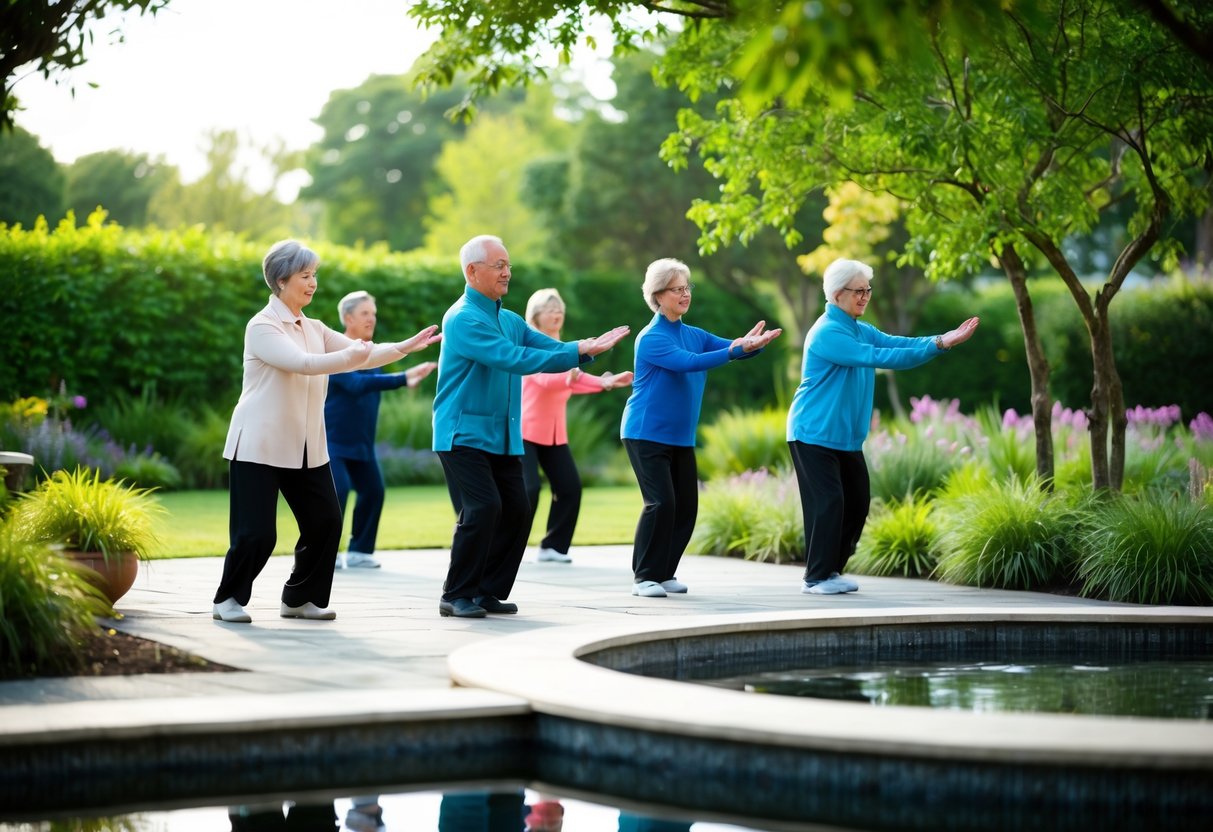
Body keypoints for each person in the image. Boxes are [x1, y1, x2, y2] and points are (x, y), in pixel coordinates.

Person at [212, 239, 441, 624]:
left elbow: (362, 352)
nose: (313, 282)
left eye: (314, 274)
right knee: (257, 535)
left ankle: (300, 598)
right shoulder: (262, 326)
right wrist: (351, 356)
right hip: (259, 444)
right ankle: (227, 600)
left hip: (306, 447)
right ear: (282, 280)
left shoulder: (314, 327)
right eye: (305, 275)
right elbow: (303, 363)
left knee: (326, 523)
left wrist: (403, 347)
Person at [432, 234, 630, 618]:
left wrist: (584, 347)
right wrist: (578, 352)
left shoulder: (508, 318)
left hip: (501, 434)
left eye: (508, 265)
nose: (508, 272)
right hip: (462, 432)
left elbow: (542, 345)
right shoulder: (462, 319)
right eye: (499, 265)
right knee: (484, 507)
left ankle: (487, 590)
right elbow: (513, 358)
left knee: (519, 509)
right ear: (472, 272)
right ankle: (455, 593)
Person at [787, 257, 979, 595]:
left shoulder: (859, 328)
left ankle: (831, 571)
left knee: (858, 502)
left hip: (844, 438)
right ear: (836, 293)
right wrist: (940, 345)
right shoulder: (828, 332)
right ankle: (815, 577)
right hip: (813, 433)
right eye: (858, 291)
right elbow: (882, 357)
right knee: (829, 502)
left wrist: (940, 339)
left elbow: (896, 343)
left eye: (867, 290)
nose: (865, 296)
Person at [620, 258, 782, 598]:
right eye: (677, 289)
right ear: (658, 295)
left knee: (686, 507)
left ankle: (664, 574)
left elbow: (728, 348)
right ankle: (644, 577)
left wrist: (749, 346)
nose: (684, 294)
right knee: (660, 503)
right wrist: (736, 349)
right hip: (645, 433)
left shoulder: (692, 333)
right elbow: (689, 363)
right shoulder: (651, 338)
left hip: (679, 436)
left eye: (687, 287)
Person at [326, 290, 437, 570]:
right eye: (365, 314)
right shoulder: (336, 353)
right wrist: (403, 377)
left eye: (373, 314)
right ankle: (325, 552)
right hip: (333, 440)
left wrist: (404, 378)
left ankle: (360, 551)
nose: (371, 319)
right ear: (348, 318)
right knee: (337, 493)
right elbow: (356, 385)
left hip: (362, 441)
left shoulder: (371, 352)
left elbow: (373, 381)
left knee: (373, 491)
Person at [522, 288, 633, 564]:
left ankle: (553, 547)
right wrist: (574, 374)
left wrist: (605, 382)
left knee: (569, 487)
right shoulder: (531, 345)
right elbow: (544, 380)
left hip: (554, 432)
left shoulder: (563, 347)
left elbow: (575, 379)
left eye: (559, 309)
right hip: (525, 431)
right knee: (528, 490)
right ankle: (507, 545)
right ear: (536, 316)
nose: (556, 314)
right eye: (550, 310)